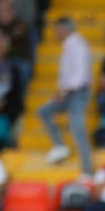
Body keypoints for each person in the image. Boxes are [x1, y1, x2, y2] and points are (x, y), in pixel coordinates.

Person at [39, 17, 92, 170]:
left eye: (56, 30)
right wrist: (62, 92)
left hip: (77, 94)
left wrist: (63, 92)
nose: (55, 33)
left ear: (63, 30)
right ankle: (60, 145)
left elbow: (80, 77)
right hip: (69, 93)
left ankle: (87, 170)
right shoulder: (69, 46)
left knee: (77, 129)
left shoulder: (78, 46)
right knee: (44, 112)